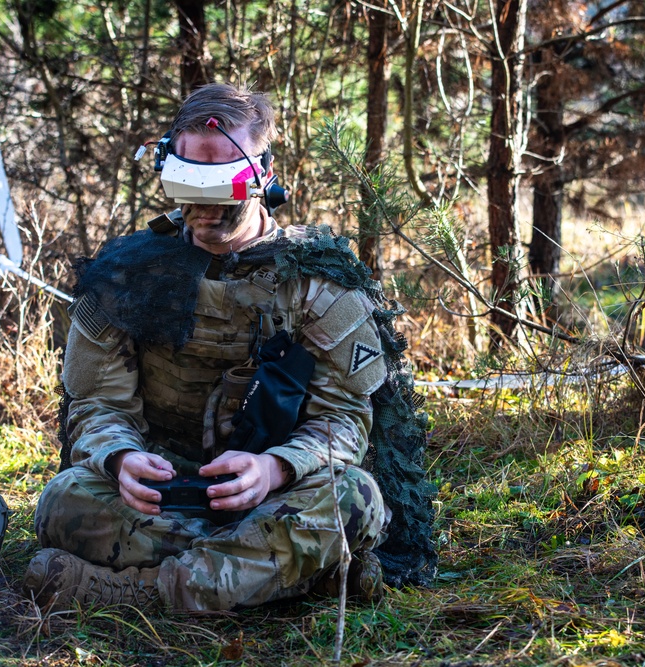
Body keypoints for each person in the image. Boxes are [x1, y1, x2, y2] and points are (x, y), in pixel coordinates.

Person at [22, 83, 390, 612]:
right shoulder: (129, 275)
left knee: (353, 501)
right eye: (188, 187)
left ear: (262, 176)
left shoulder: (320, 285)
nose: (202, 209)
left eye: (220, 190)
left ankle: (144, 593)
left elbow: (344, 421)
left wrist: (276, 469)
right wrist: (121, 458)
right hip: (160, 492)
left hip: (273, 492)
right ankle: (288, 572)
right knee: (63, 503)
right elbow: (97, 405)